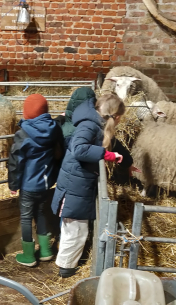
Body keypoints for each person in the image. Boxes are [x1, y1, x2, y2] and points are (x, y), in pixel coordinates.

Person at [51, 94, 137, 278]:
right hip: (76, 184)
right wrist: (108, 156)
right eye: (121, 116)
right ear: (116, 116)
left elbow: (114, 144)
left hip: (78, 182)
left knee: (75, 227)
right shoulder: (89, 125)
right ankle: (66, 268)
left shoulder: (97, 124)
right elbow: (80, 148)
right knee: (75, 229)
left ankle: (66, 262)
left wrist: (127, 162)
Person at [8, 94, 64, 267]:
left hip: (28, 185)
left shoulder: (23, 134)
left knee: (26, 217)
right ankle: (46, 251)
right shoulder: (54, 128)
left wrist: (13, 184)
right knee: (40, 213)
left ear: (26, 112)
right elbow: (59, 151)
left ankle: (29, 255)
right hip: (46, 184)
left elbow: (16, 161)